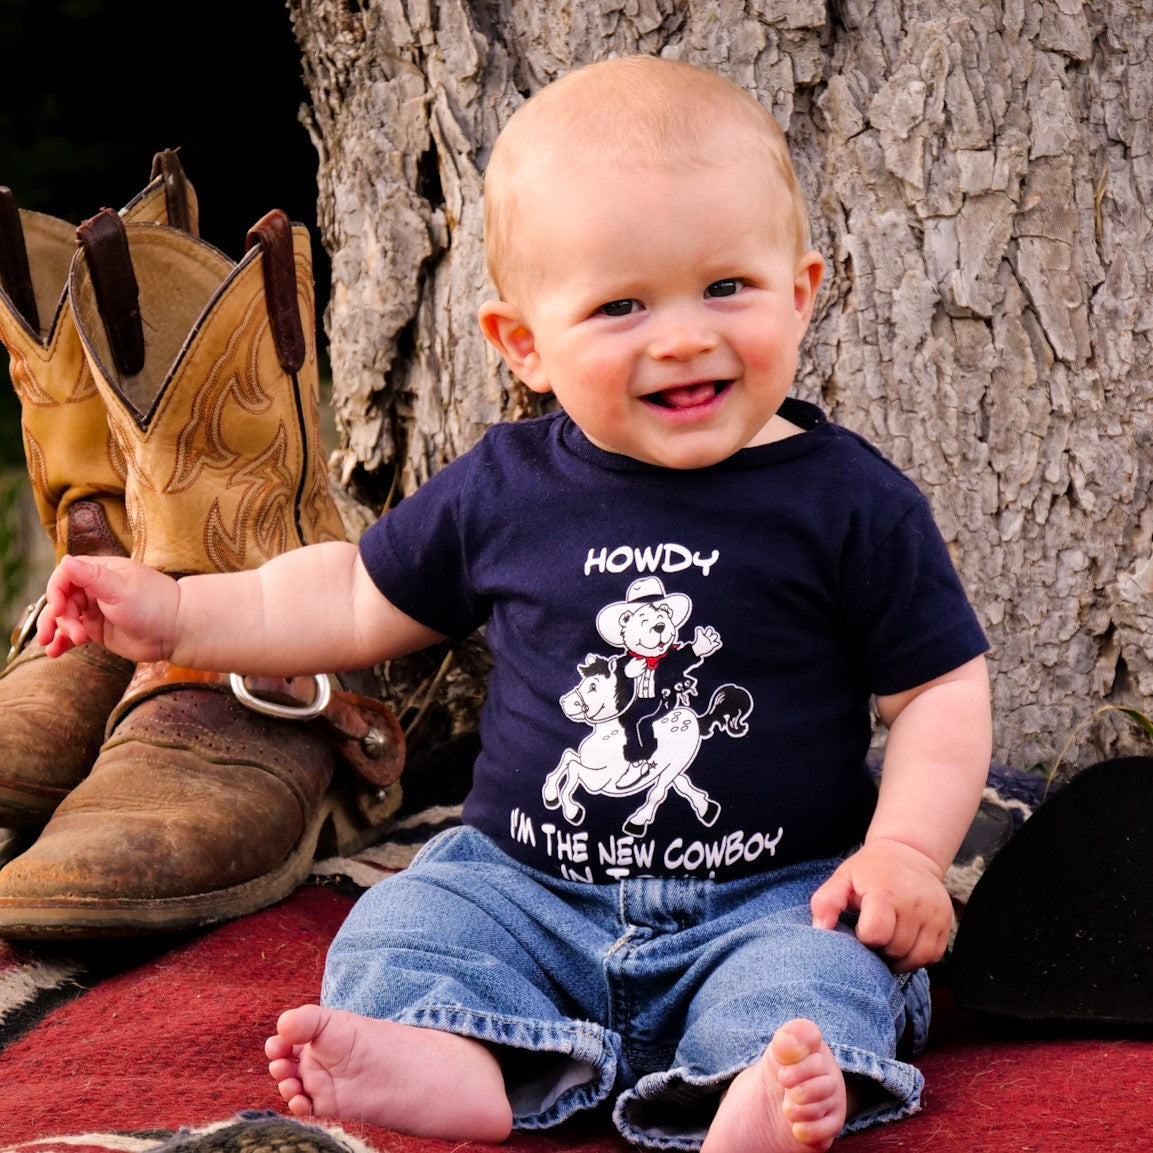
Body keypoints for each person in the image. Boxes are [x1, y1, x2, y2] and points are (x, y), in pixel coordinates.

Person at [36, 54, 992, 1153]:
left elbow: (937, 690)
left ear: (801, 291)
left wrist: (908, 854)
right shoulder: (508, 486)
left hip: (771, 893)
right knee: (404, 924)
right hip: (524, 887)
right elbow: (351, 593)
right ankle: (457, 1063)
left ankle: (757, 1094)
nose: (682, 335)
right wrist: (179, 614)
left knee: (826, 972)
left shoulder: (850, 501)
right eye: (621, 305)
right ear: (524, 346)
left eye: (725, 287)